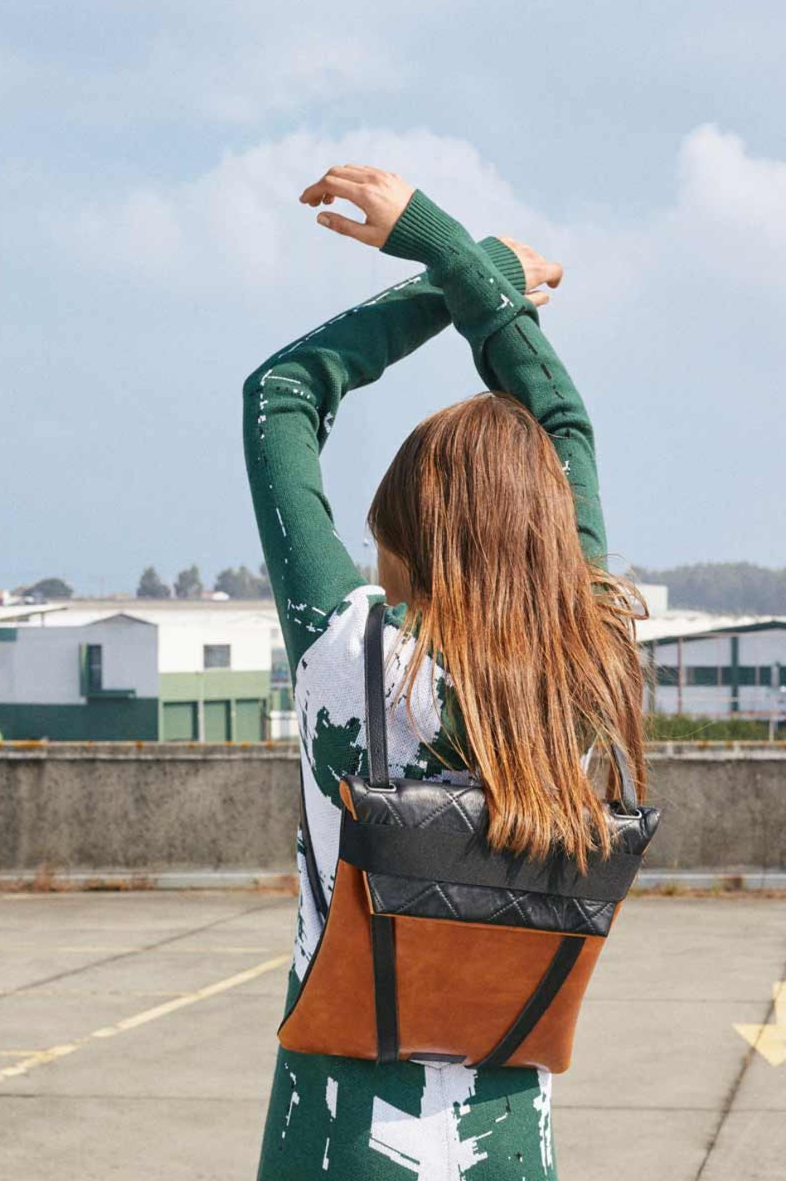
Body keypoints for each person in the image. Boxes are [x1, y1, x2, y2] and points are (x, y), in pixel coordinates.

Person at [243, 165, 647, 1180]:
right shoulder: (587, 658)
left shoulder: (347, 646)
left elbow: (281, 395)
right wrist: (453, 258)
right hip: (505, 1141)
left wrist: (457, 269)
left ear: (398, 538)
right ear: (552, 532)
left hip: (334, 1139)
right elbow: (561, 426)